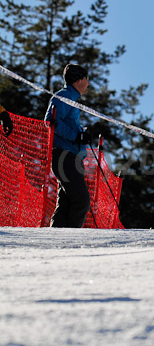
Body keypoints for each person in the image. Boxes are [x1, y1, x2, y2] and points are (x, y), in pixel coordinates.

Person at [44, 63, 92, 228]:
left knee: (66, 202)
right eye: (86, 79)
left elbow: (64, 123)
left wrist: (81, 134)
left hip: (71, 156)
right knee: (81, 200)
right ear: (79, 80)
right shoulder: (64, 96)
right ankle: (70, 237)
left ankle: (56, 237)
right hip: (65, 156)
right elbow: (51, 121)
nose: (88, 83)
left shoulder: (71, 99)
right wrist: (77, 136)